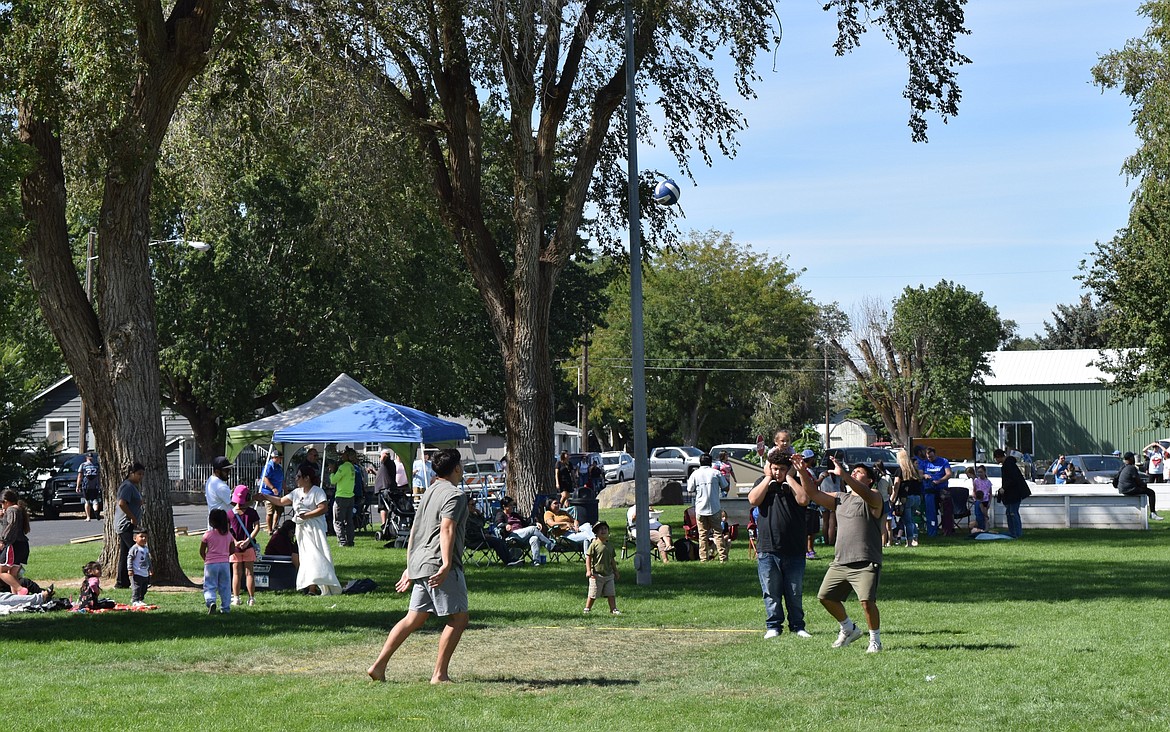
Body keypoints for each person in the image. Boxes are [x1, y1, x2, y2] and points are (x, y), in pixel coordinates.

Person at [368, 448, 470, 684]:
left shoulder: (430, 491)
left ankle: (379, 665)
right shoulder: (455, 495)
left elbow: (416, 530)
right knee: (458, 619)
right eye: (461, 465)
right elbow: (447, 528)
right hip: (438, 564)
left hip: (421, 563)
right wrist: (446, 564)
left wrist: (410, 565)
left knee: (413, 618)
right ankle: (439, 674)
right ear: (456, 468)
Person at [810, 457, 886, 653]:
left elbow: (865, 493)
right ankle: (848, 628)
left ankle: (875, 640)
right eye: (852, 471)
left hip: (865, 560)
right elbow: (812, 493)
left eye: (859, 472)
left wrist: (844, 474)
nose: (854, 473)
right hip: (840, 561)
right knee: (825, 597)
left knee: (867, 602)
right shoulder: (840, 498)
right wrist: (800, 471)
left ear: (869, 480)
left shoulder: (874, 496)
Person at [748, 451, 814, 640]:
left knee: (794, 592)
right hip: (768, 547)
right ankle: (773, 626)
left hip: (794, 548)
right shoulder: (763, 482)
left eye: (782, 469)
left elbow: (803, 500)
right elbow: (753, 500)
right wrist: (768, 477)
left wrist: (791, 478)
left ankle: (798, 626)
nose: (778, 473)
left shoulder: (796, 482)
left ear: (789, 469)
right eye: (775, 469)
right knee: (771, 591)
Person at [255, 462, 341, 594]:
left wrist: (306, 515)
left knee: (315, 556)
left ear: (307, 478)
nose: (296, 479)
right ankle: (310, 586)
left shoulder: (317, 492)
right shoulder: (296, 492)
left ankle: (319, 585)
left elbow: (323, 508)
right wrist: (265, 496)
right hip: (302, 530)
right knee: (305, 557)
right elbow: (280, 501)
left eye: (299, 476)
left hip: (315, 529)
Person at [687, 454, 729, 562]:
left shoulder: (695, 474)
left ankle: (703, 558)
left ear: (700, 462)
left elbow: (690, 489)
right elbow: (726, 486)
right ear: (710, 462)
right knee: (718, 533)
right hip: (714, 507)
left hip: (700, 508)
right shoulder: (716, 473)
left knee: (702, 535)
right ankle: (723, 558)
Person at [228, 485, 261, 607]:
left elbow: (227, 531)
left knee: (236, 573)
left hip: (235, 548)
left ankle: (236, 598)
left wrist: (235, 542)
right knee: (249, 573)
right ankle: (251, 598)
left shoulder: (230, 514)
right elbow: (257, 527)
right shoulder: (252, 512)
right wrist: (248, 540)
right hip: (249, 546)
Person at [114, 462, 145, 589]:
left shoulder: (133, 486)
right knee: (136, 551)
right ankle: (141, 579)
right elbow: (122, 503)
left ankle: (122, 582)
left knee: (125, 553)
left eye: (142, 474)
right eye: (138, 474)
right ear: (131, 473)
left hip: (128, 525)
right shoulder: (127, 486)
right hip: (125, 524)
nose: (141, 477)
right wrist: (132, 517)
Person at [497, 498, 555, 564]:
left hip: (522, 536)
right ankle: (550, 545)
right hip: (511, 536)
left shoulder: (515, 515)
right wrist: (506, 525)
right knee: (533, 529)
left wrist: (535, 523)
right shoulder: (500, 514)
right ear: (504, 506)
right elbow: (499, 524)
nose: (512, 507)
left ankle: (536, 562)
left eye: (513, 505)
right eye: (510, 505)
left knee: (534, 539)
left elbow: (526, 523)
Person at [201, 508, 234, 613]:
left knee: (210, 585)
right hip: (224, 563)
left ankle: (211, 601)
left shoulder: (208, 535)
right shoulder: (229, 535)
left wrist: (206, 559)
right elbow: (232, 550)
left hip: (211, 563)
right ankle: (225, 608)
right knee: (225, 586)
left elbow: (202, 550)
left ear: (211, 521)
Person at [583, 521, 620, 614]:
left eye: (605, 529)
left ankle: (613, 609)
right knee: (593, 594)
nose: (603, 531)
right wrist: (588, 570)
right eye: (600, 529)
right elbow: (588, 557)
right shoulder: (594, 544)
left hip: (609, 575)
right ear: (596, 532)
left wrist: (615, 571)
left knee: (611, 593)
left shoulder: (610, 546)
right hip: (596, 575)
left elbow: (612, 559)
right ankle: (587, 608)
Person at [994, 448, 1032, 538]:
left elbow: (1012, 479)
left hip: (1014, 493)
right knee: (1010, 512)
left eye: (996, 458)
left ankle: (1016, 533)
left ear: (999, 457)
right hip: (1012, 492)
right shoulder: (1009, 464)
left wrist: (1004, 488)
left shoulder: (1008, 465)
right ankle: (1013, 532)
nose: (996, 460)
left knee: (1013, 513)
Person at [0, 490, 31, 594]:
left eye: (2, 504)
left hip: (13, 545)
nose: (2, 507)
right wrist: (2, 518)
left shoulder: (11, 510)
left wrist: (3, 540)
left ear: (6, 501)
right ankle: (17, 598)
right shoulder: (18, 509)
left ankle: (21, 590)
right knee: (12, 574)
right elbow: (12, 523)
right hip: (22, 545)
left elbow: (12, 524)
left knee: (1, 571)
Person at [1116, 451, 1162, 521]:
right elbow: (1139, 481)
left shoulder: (1122, 467)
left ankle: (1153, 513)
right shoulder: (1132, 468)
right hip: (1129, 489)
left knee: (1145, 490)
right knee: (1151, 492)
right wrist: (1144, 485)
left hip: (1122, 489)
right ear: (1131, 458)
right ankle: (1153, 513)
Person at [920, 446, 953, 537]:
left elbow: (949, 474)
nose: (930, 459)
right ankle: (932, 531)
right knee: (931, 512)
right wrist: (925, 475)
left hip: (942, 489)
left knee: (946, 511)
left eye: (932, 457)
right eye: (928, 457)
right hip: (929, 489)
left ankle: (947, 531)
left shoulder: (943, 461)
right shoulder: (924, 463)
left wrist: (938, 481)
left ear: (935, 454)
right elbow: (920, 473)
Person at [330, 448, 359, 547]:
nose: (341, 456)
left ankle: (342, 541)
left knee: (338, 521)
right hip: (350, 496)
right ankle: (350, 541)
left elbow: (333, 480)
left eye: (344, 454)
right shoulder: (352, 467)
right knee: (349, 521)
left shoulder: (343, 467)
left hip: (341, 497)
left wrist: (332, 472)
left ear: (347, 456)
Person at [893, 449, 922, 547]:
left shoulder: (900, 470)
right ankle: (915, 538)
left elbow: (896, 486)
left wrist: (893, 498)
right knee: (912, 519)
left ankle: (909, 541)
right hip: (916, 497)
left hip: (906, 498)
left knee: (907, 521)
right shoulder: (913, 470)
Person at [259, 450, 285, 534]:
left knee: (280, 510)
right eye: (280, 458)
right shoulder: (269, 466)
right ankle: (269, 530)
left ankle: (275, 526)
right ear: (275, 458)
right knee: (270, 512)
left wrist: (286, 489)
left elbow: (282, 480)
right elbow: (265, 478)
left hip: (278, 494)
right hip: (268, 493)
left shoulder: (279, 467)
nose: (281, 459)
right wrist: (272, 487)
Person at [126, 528, 152, 607]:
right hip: (136, 572)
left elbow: (148, 559)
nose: (144, 539)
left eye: (145, 537)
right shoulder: (134, 548)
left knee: (144, 588)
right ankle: (135, 600)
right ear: (135, 538)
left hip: (144, 572)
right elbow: (129, 558)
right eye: (141, 537)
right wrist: (130, 569)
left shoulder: (146, 548)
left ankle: (140, 599)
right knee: (136, 587)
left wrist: (150, 568)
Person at [204, 456, 233, 524]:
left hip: (214, 522)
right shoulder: (220, 486)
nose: (228, 473)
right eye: (226, 470)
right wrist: (253, 499)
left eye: (229, 470)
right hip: (222, 524)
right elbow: (236, 503)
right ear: (217, 471)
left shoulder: (210, 480)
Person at [75, 453, 101, 521]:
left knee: (87, 501)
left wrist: (78, 486)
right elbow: (99, 476)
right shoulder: (96, 465)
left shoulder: (83, 465)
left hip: (86, 485)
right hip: (95, 486)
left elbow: (80, 476)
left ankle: (88, 517)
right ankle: (96, 511)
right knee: (95, 500)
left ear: (86, 457)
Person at [972, 465, 993, 530]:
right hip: (978, 499)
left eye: (981, 472)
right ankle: (979, 528)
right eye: (978, 472)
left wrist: (989, 502)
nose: (979, 474)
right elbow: (974, 490)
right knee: (978, 515)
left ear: (984, 472)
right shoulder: (976, 481)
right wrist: (975, 498)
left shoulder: (988, 482)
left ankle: (985, 529)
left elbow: (990, 493)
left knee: (985, 515)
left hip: (985, 500)